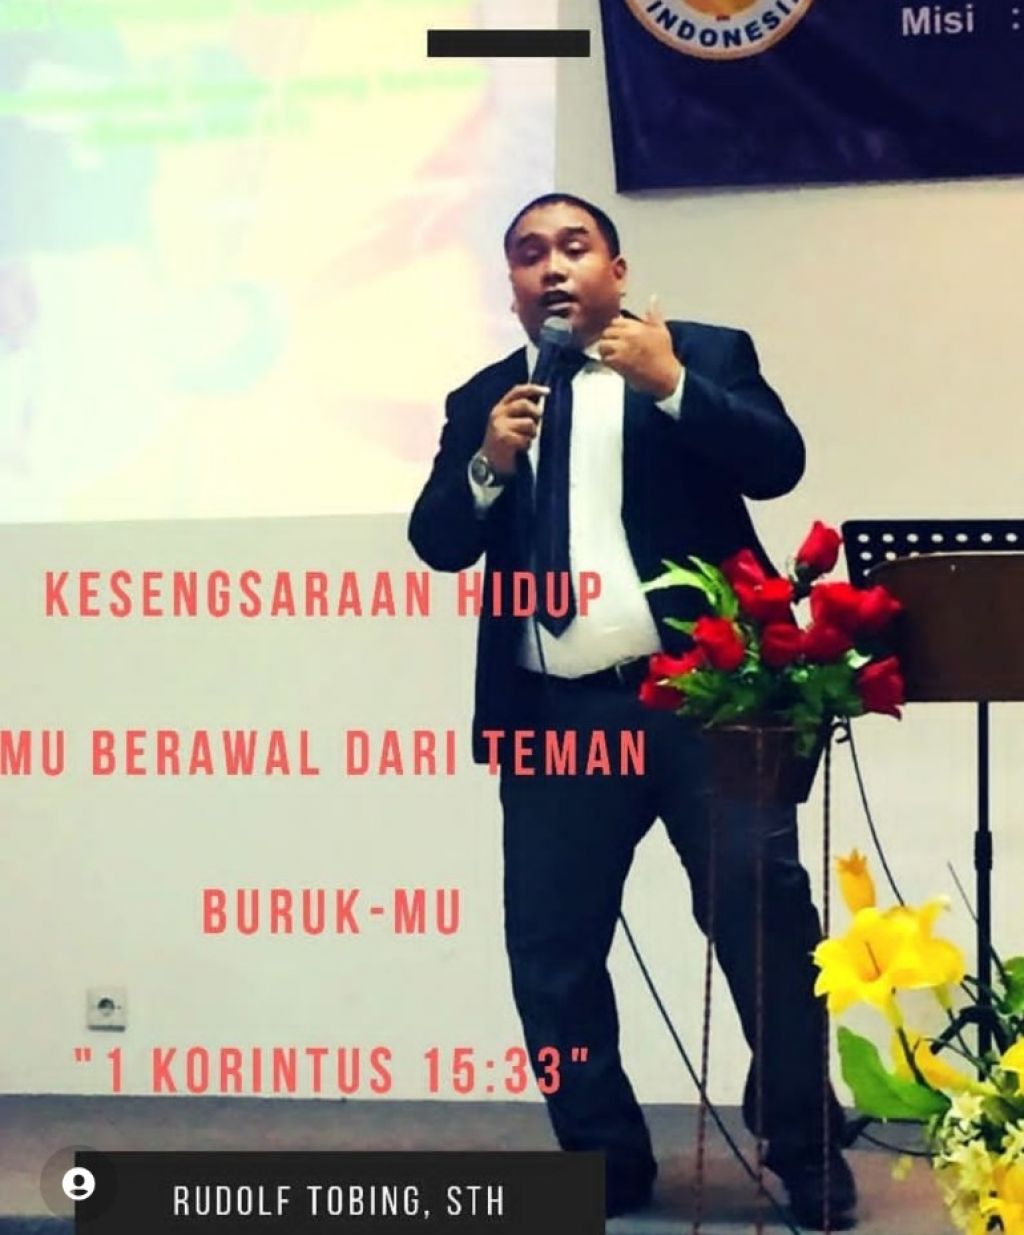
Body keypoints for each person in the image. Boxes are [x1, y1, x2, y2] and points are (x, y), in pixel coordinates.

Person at [408, 192, 856, 1229]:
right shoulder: (485, 397)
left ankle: (804, 1145)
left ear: (616, 269)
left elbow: (777, 462)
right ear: (512, 290)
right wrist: (487, 463)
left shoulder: (701, 352)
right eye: (529, 255)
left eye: (574, 247)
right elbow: (438, 540)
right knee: (551, 950)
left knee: (763, 919)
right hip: (556, 716)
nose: (552, 267)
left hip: (703, 702)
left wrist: (673, 385)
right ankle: (603, 1154)